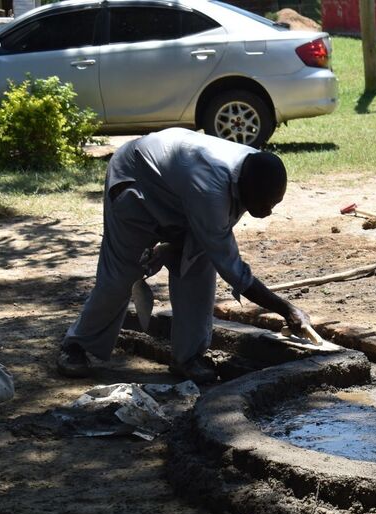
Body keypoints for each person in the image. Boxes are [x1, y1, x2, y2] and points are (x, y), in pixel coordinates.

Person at [57, 128, 314, 383]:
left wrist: (175, 247)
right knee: (122, 274)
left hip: (178, 190)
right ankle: (76, 345)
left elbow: (211, 234)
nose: (268, 212)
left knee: (198, 267)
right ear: (246, 187)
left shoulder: (253, 169)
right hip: (136, 178)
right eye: (264, 204)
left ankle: (188, 357)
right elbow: (234, 271)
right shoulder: (212, 189)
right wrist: (287, 309)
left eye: (274, 204)